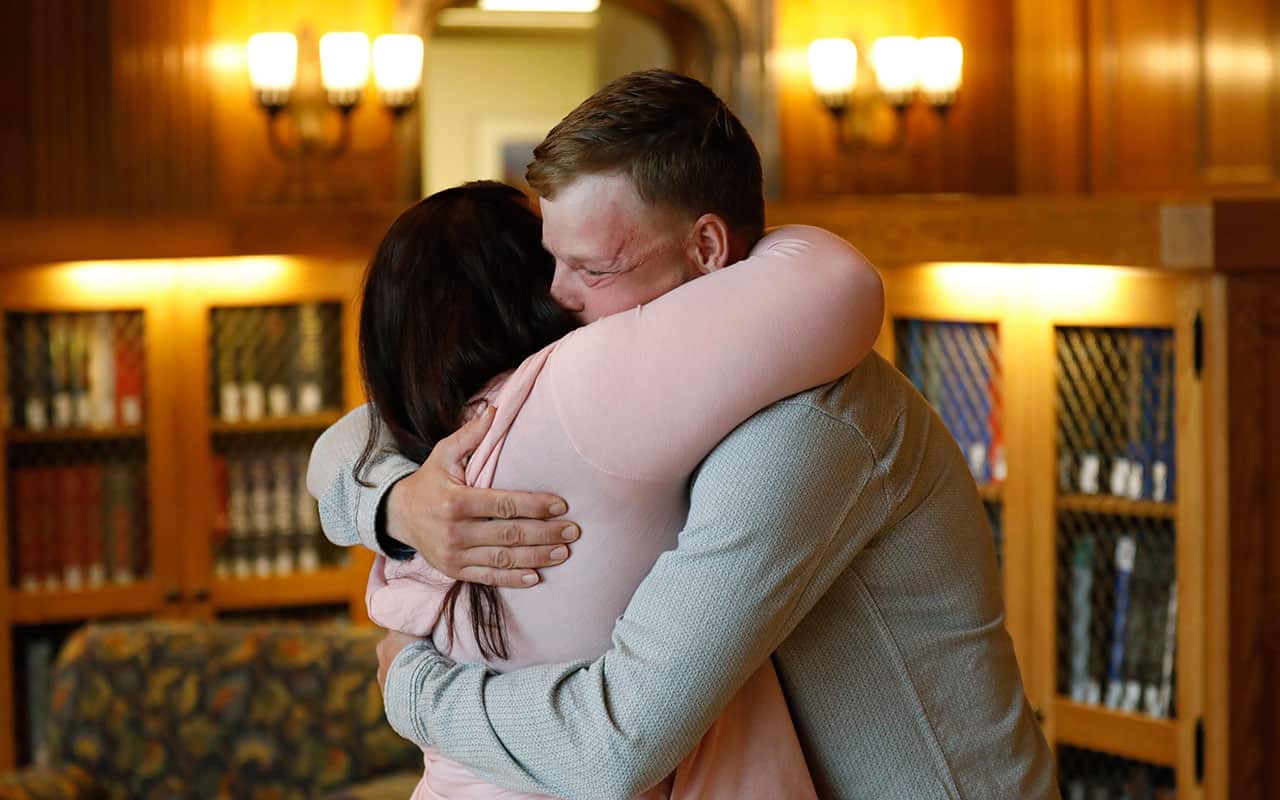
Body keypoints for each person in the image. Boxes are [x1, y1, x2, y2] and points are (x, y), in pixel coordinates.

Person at [311, 70, 1056, 799]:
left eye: (591, 268)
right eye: (552, 262)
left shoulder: (806, 424)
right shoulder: (683, 384)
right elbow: (381, 421)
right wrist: (398, 504)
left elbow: (615, 745)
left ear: (706, 250)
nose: (557, 300)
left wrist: (412, 686)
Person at [331, 178, 883, 799]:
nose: (567, 290)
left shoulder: (424, 450)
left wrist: (391, 507)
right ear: (522, 291)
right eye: (556, 262)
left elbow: (338, 447)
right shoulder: (577, 394)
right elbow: (839, 281)